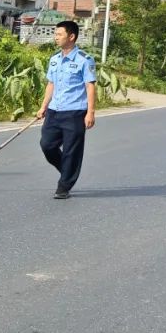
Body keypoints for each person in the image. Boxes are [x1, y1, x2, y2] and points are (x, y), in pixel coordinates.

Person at [35, 20, 96, 199]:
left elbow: (90, 86)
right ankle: (67, 170)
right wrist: (43, 106)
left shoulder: (84, 59)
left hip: (75, 112)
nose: (56, 37)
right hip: (54, 110)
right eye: (55, 34)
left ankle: (64, 187)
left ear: (71, 36)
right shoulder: (54, 59)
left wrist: (90, 112)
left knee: (71, 151)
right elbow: (51, 84)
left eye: (59, 34)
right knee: (47, 145)